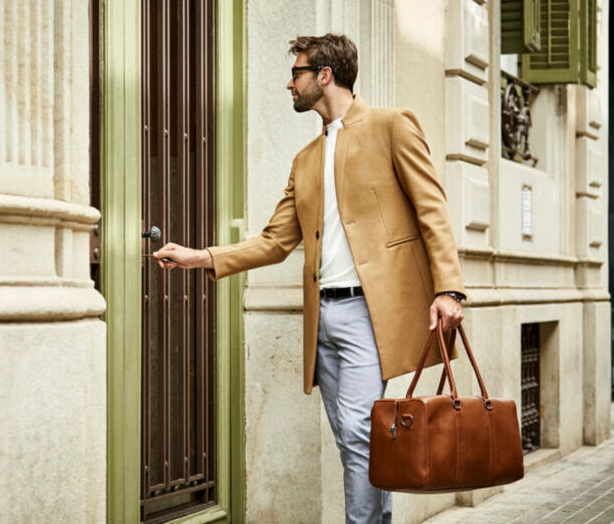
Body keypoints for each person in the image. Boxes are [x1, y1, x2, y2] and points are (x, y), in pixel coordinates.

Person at [153, 34, 466, 524]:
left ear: (324, 76)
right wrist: (202, 257)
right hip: (323, 318)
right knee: (354, 438)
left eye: (296, 73)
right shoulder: (306, 159)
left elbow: (433, 211)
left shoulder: (391, 126)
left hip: (370, 313)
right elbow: (275, 241)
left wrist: (448, 288)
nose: (288, 84)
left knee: (362, 433)